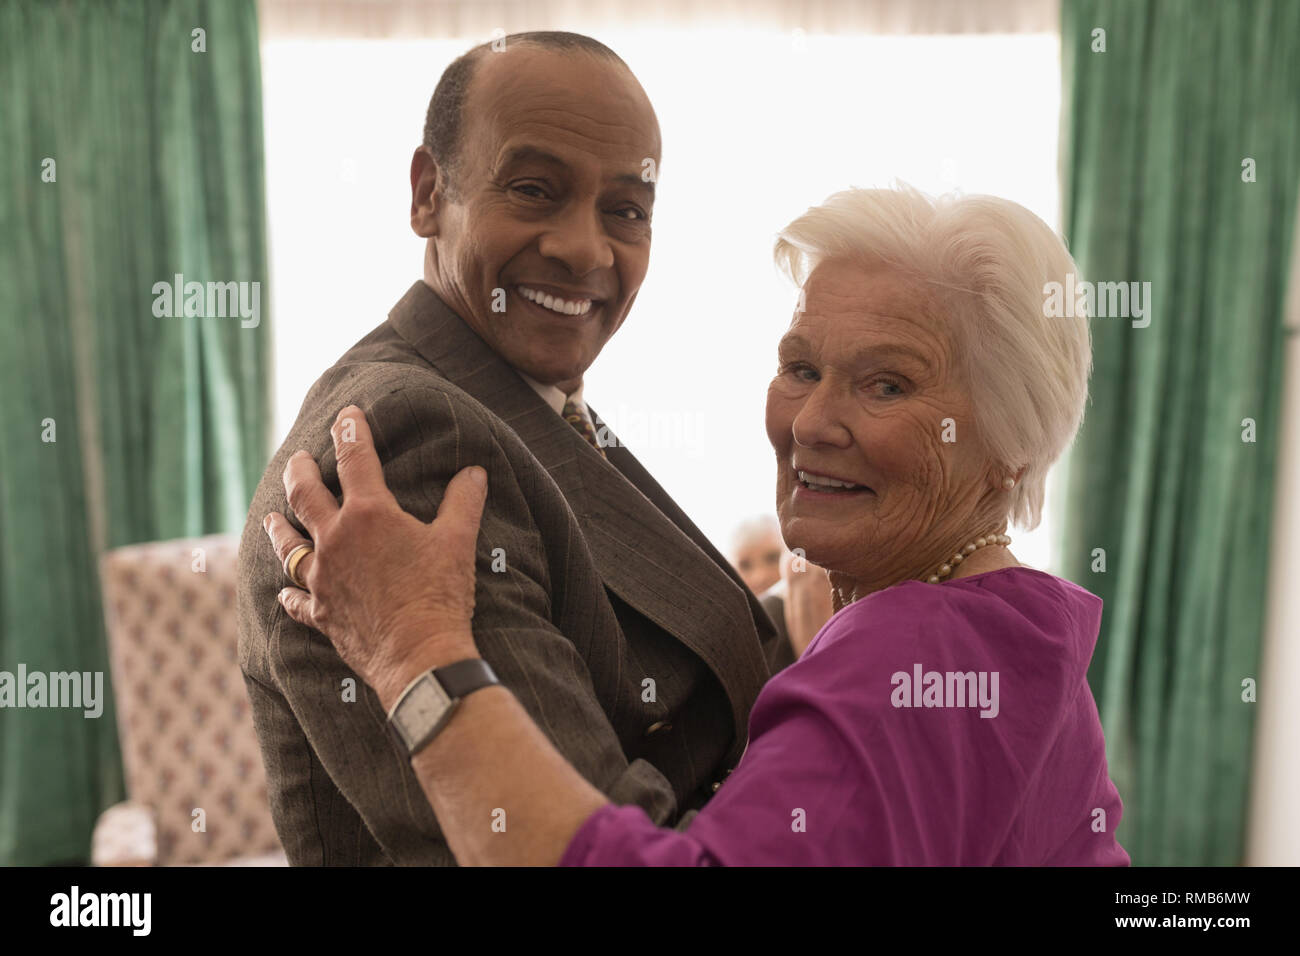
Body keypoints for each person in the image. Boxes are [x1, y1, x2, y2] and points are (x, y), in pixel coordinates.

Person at [261, 185, 1132, 866]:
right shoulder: (999, 631)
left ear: (1014, 446)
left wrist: (416, 649)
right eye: (800, 367)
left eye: (888, 386)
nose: (812, 422)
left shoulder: (913, 662)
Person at [237, 32, 789, 866]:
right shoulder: (410, 443)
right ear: (428, 194)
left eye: (625, 210)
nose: (586, 249)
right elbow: (597, 843)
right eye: (534, 190)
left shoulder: (522, 403)